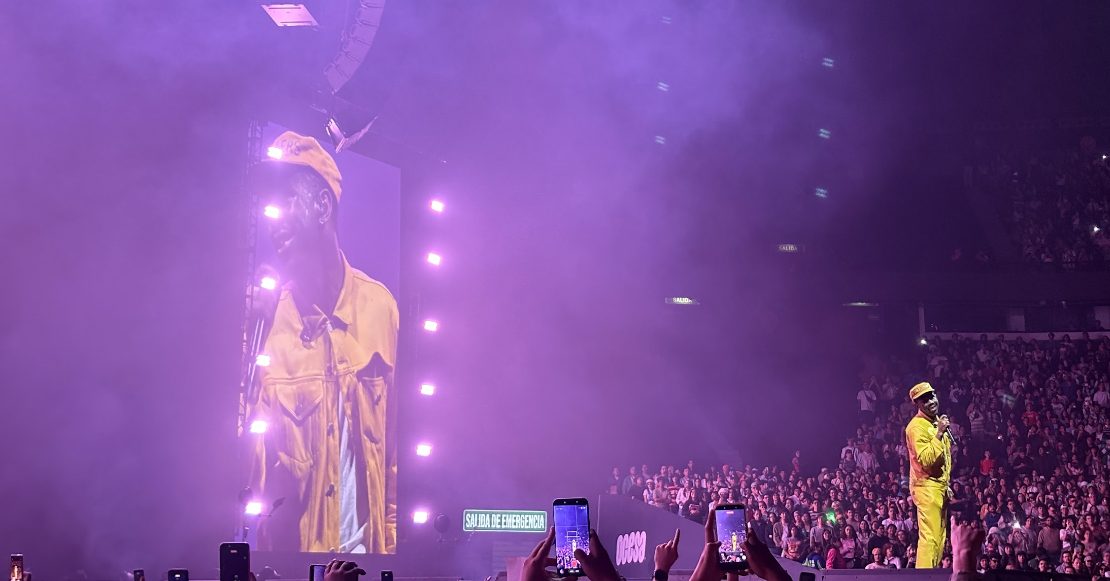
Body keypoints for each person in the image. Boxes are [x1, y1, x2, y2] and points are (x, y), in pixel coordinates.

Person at [247, 131, 399, 553]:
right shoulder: (266, 327)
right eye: (267, 205)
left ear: (322, 206)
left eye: (285, 200)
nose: (273, 217)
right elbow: (245, 475)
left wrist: (392, 550)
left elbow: (393, 455)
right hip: (296, 569)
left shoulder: (381, 309)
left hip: (369, 564)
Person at [905, 382, 953, 568]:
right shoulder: (916, 427)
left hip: (938, 486)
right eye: (925, 400)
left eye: (932, 396)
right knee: (930, 537)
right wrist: (939, 433)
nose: (931, 401)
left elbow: (945, 459)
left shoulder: (934, 422)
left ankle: (933, 573)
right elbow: (926, 459)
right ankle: (924, 576)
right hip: (926, 486)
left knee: (940, 538)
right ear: (917, 404)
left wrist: (946, 484)